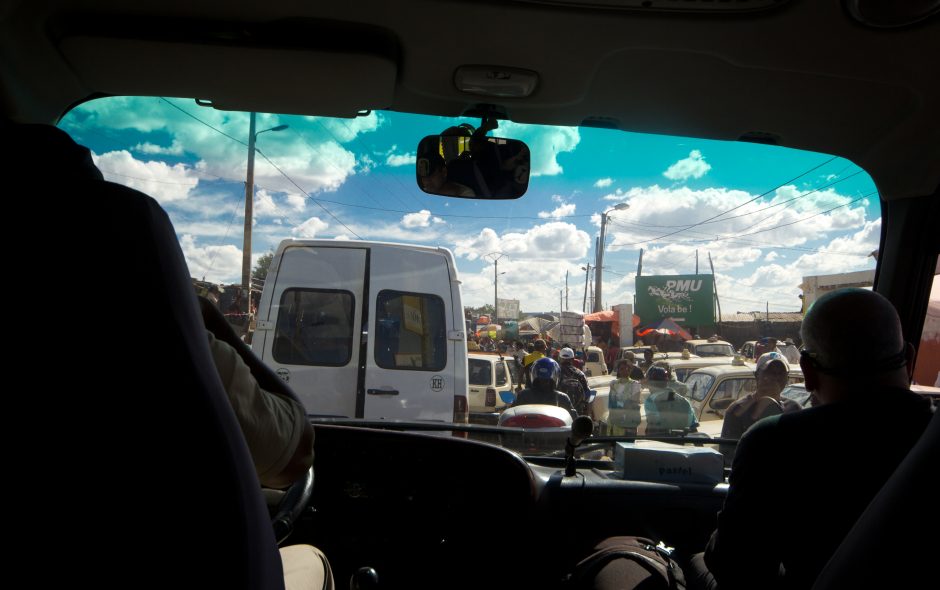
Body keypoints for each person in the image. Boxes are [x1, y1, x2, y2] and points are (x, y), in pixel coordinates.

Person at [694, 289, 933, 590]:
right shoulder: (928, 436)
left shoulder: (774, 442)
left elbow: (735, 567)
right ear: (910, 359)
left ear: (806, 372)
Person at [718, 351, 802, 465]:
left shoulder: (794, 409)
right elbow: (728, 455)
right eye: (770, 372)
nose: (776, 377)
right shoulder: (737, 410)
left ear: (787, 377)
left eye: (781, 373)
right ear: (757, 375)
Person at [643, 365, 697, 435]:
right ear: (666, 381)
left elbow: (652, 427)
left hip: (660, 442)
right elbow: (694, 427)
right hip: (682, 442)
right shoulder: (684, 401)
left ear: (650, 383)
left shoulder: (651, 400)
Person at [607, 361, 643, 436]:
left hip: (629, 422)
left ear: (630, 370)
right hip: (614, 420)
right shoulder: (613, 384)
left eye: (627, 369)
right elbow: (611, 403)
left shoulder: (635, 385)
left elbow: (633, 403)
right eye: (622, 369)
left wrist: (619, 404)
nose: (625, 371)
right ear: (618, 370)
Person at [558, 347, 590, 414]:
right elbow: (587, 392)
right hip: (577, 410)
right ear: (573, 359)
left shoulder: (555, 372)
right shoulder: (580, 373)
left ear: (560, 358)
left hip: (559, 411)